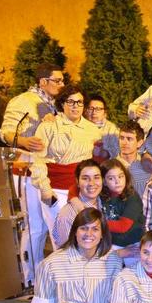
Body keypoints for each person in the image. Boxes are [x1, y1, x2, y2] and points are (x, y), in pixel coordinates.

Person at [0, 63, 63, 283]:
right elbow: (6, 131)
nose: (61, 84)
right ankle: (32, 280)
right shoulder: (22, 101)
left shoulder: (54, 105)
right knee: (35, 227)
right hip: (27, 171)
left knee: (56, 227)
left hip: (50, 172)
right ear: (42, 81)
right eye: (57, 80)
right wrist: (24, 141)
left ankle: (56, 278)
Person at [29, 208, 122, 303]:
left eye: (95, 229)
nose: (89, 234)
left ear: (102, 234)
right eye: (83, 228)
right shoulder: (51, 263)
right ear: (74, 232)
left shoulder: (113, 260)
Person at [31, 85, 104, 250]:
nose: (75, 106)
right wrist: (44, 189)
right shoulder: (48, 126)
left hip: (84, 190)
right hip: (55, 189)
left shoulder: (92, 129)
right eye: (70, 101)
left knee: (86, 235)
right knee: (62, 237)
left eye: (79, 102)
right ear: (62, 103)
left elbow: (105, 152)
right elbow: (37, 159)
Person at [100, 158, 145, 263]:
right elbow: (79, 187)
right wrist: (73, 198)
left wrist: (97, 224)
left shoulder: (132, 197)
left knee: (134, 273)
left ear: (126, 176)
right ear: (104, 182)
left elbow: (123, 226)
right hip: (112, 243)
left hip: (134, 243)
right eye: (111, 178)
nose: (117, 181)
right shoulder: (102, 195)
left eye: (121, 176)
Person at [53, 159, 103, 248]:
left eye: (96, 177)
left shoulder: (104, 202)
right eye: (85, 178)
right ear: (77, 182)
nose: (92, 183)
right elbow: (68, 252)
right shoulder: (68, 215)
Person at [116, 120, 152, 196]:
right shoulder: (111, 166)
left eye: (129, 139)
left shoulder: (149, 166)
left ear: (139, 143)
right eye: (121, 138)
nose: (124, 142)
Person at [84, 93, 119, 159]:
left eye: (98, 109)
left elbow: (117, 151)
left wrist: (105, 153)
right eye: (91, 108)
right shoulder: (80, 126)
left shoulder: (112, 129)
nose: (94, 112)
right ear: (86, 111)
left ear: (105, 113)